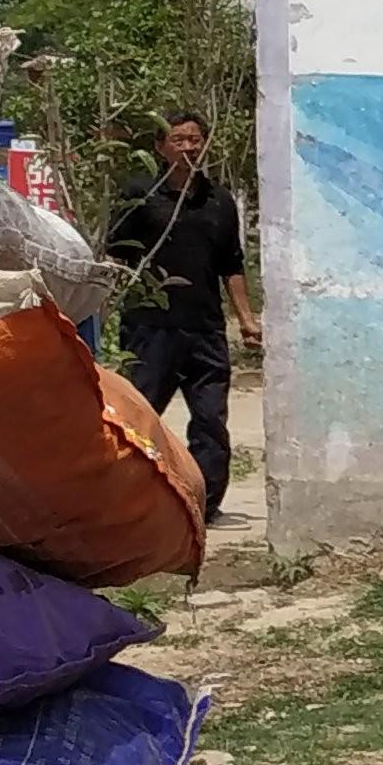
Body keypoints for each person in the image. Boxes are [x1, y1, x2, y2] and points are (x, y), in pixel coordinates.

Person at [103, 112, 259, 522]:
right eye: (178, 140)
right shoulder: (140, 196)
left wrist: (245, 318)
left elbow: (232, 264)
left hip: (205, 329)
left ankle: (205, 508)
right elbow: (114, 257)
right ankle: (129, 503)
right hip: (150, 328)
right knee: (139, 417)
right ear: (160, 148)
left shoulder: (220, 201)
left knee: (210, 420)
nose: (188, 148)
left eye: (195, 140)